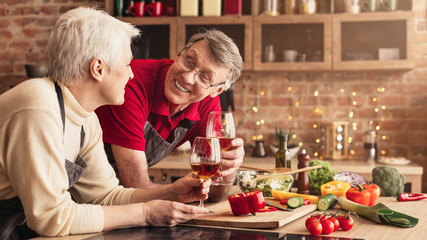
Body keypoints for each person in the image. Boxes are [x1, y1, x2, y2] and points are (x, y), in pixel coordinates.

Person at [0, 7, 211, 238]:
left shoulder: (86, 117)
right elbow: (52, 218)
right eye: (127, 64)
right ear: (98, 68)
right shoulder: (39, 106)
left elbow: (105, 196)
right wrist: (146, 213)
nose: (131, 74)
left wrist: (171, 193)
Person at [95, 29, 245, 193]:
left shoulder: (207, 104)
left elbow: (214, 190)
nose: (187, 78)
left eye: (205, 77)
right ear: (179, 54)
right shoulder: (131, 83)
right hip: (78, 187)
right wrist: (184, 191)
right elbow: (136, 186)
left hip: (120, 195)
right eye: (188, 61)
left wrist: (229, 170)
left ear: (216, 91)